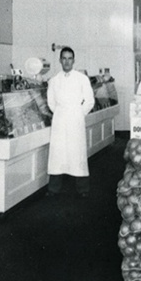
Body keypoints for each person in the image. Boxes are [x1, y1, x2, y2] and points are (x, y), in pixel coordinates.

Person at [46, 47, 95, 198]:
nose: (67, 61)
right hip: (59, 119)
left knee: (77, 152)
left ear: (74, 60)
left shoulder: (82, 79)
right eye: (64, 58)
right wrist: (61, 113)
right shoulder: (54, 80)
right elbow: (51, 103)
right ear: (60, 60)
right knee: (58, 153)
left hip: (76, 118)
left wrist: (78, 113)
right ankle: (54, 188)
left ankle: (82, 188)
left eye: (70, 58)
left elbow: (89, 101)